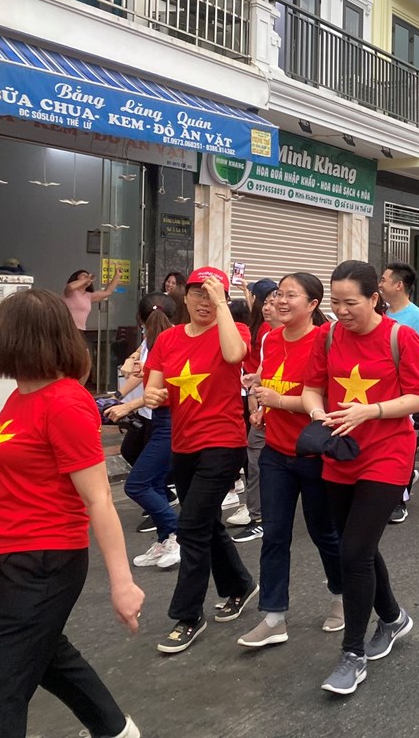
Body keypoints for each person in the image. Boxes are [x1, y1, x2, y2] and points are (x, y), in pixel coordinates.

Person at [0, 289, 145, 738]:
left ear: (22, 338)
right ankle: (115, 729)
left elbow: (99, 499)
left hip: (44, 561)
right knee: (47, 654)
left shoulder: (66, 402)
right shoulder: (20, 396)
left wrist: (122, 583)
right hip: (1, 556)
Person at [301, 260, 419, 695]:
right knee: (357, 546)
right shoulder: (327, 336)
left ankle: (352, 654)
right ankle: (392, 618)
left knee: (353, 552)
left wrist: (370, 411)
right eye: (335, 302)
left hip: (388, 455)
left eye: (350, 302)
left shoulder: (400, 337)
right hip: (339, 453)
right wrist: (317, 413)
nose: (341, 311)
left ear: (375, 298)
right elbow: (312, 388)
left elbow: (418, 397)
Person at [144, 267, 257, 654]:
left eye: (212, 294)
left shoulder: (234, 330)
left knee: (191, 526)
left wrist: (223, 304)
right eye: (198, 293)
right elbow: (154, 386)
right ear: (185, 296)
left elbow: (234, 355)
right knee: (205, 522)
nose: (204, 301)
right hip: (184, 445)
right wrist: (152, 396)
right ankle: (240, 584)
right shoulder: (168, 339)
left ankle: (188, 615)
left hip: (223, 442)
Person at [236, 272, 344, 648]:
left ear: (313, 304)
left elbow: (325, 400)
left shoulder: (325, 340)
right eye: (278, 294)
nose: (280, 301)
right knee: (275, 534)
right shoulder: (270, 337)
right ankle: (273, 617)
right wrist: (259, 399)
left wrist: (277, 400)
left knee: (323, 532)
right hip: (275, 452)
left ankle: (341, 596)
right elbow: (269, 379)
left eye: (290, 295)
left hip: (313, 453)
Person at [110, 293, 181, 570]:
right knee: (155, 483)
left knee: (136, 485)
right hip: (157, 419)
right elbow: (140, 374)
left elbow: (165, 389)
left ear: (139, 319)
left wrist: (127, 405)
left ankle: (177, 534)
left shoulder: (169, 341)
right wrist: (120, 396)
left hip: (169, 420)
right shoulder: (155, 339)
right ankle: (165, 539)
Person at [229, 285, 282, 541]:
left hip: (293, 414)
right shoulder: (269, 336)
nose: (268, 307)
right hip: (265, 411)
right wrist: (254, 388)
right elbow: (264, 368)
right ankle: (259, 516)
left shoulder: (311, 337)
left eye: (275, 301)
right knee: (255, 458)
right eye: (267, 302)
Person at [380, 261, 419, 453]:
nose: (380, 284)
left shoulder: (418, 317)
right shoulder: (381, 312)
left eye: (383, 280)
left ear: (398, 285)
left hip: (401, 390)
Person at [63, 267, 121, 331]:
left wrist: (117, 275)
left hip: (80, 330)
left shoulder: (89, 296)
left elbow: (107, 292)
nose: (87, 277)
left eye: (88, 276)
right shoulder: (70, 292)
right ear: (76, 278)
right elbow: (70, 286)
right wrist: (87, 279)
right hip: (65, 328)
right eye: (84, 276)